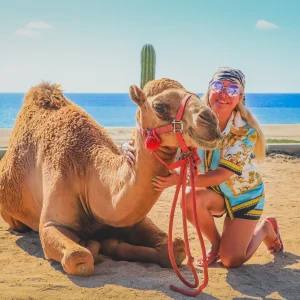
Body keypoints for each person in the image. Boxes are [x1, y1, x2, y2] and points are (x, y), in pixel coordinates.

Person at [121, 67, 284, 268]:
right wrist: (128, 145)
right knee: (188, 197)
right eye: (218, 86)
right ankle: (216, 244)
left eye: (232, 90)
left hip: (244, 196)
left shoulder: (244, 133)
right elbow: (159, 129)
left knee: (231, 260)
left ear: (239, 97)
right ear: (209, 89)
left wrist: (177, 179)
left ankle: (266, 229)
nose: (224, 93)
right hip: (215, 193)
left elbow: (221, 175)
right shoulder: (191, 118)